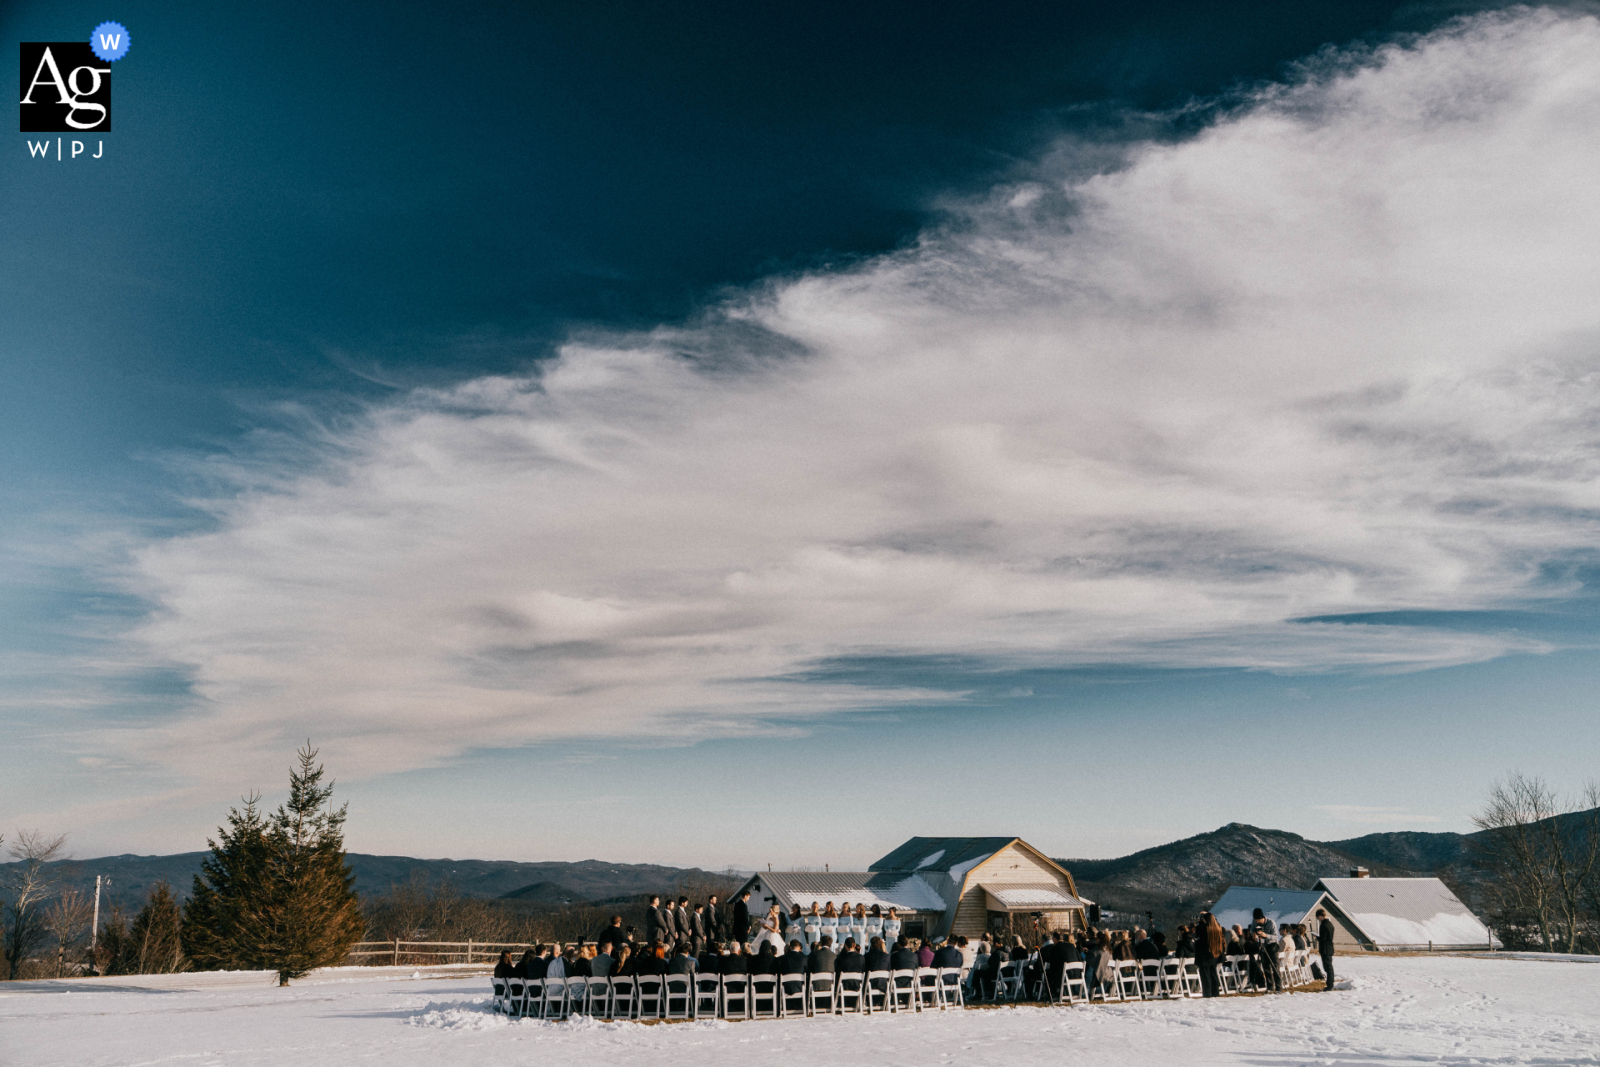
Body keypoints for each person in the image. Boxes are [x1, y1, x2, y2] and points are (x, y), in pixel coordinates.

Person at [1197, 912, 1226, 998]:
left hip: (1204, 955)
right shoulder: (1218, 928)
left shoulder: (1204, 928)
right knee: (1213, 974)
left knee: (1205, 976)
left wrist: (1200, 922)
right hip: (1215, 953)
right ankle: (1215, 993)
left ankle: (1207, 994)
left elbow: (1198, 933)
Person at [1316, 908, 1336, 992]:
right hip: (1330, 947)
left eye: (1318, 918)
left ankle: (1330, 985)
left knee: (1328, 967)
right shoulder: (1330, 924)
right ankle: (1330, 983)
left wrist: (1317, 938)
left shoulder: (1323, 925)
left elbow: (1323, 939)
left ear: (1320, 916)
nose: (1318, 919)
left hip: (1325, 949)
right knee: (1329, 967)